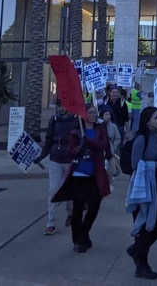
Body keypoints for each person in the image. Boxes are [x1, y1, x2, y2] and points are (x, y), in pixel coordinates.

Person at [51, 104, 111, 253]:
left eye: (94, 112)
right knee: (78, 209)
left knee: (95, 205)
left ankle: (84, 232)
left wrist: (89, 142)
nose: (93, 114)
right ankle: (78, 240)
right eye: (90, 112)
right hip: (78, 175)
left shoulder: (100, 130)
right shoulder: (76, 132)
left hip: (94, 175)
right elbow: (71, 153)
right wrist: (80, 147)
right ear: (84, 115)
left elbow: (103, 145)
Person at [126, 107, 157, 279]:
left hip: (155, 183)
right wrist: (156, 164)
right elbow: (135, 165)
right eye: (155, 118)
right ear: (147, 121)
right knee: (143, 225)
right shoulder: (141, 139)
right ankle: (141, 265)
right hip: (141, 185)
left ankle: (136, 251)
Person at [37, 100, 80, 235]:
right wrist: (41, 156)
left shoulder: (76, 121)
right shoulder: (53, 120)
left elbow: (81, 140)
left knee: (70, 191)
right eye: (59, 105)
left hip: (70, 160)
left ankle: (70, 213)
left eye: (63, 105)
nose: (61, 108)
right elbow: (49, 140)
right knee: (53, 190)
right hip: (55, 159)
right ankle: (51, 222)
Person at [102, 108, 123, 178]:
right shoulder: (99, 126)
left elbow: (118, 138)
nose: (108, 116)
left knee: (110, 170)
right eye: (106, 115)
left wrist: (114, 147)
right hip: (101, 150)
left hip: (110, 150)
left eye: (109, 115)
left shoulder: (113, 126)